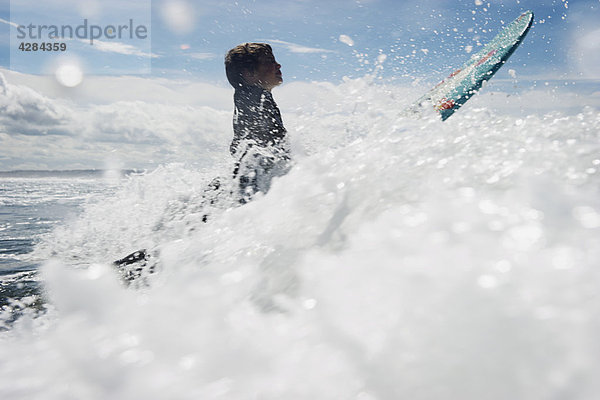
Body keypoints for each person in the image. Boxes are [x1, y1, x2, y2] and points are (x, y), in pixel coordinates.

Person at [224, 42, 291, 203]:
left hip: (248, 179)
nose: (278, 65)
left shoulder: (247, 95)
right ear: (249, 74)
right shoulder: (257, 98)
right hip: (253, 185)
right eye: (269, 62)